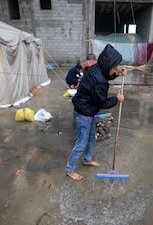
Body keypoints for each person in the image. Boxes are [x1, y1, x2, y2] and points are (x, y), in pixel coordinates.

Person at [65, 44, 127, 181]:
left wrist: (117, 74)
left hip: (88, 110)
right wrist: (116, 98)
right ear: (107, 65)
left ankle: (86, 159)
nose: (115, 70)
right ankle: (69, 169)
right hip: (83, 114)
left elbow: (106, 75)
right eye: (114, 68)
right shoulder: (99, 82)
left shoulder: (97, 68)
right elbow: (102, 103)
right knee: (81, 143)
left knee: (91, 138)